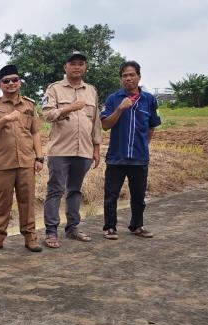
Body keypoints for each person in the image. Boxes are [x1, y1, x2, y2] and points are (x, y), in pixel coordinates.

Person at [41, 51, 102, 249]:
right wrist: (70, 108)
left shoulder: (91, 91)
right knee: (55, 190)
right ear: (65, 67)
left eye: (80, 63)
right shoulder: (55, 89)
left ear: (85, 67)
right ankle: (51, 231)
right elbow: (47, 115)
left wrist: (96, 147)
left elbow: (95, 122)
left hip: (83, 150)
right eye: (72, 63)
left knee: (75, 190)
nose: (77, 67)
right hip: (60, 149)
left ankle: (73, 228)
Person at [0, 64, 44, 253]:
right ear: (0, 84)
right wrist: (6, 119)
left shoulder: (29, 105)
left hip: (26, 162)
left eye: (14, 80)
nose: (11, 83)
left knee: (27, 201)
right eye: (6, 81)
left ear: (20, 82)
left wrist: (39, 157)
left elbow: (35, 133)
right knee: (2, 203)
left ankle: (30, 237)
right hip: (3, 163)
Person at [100, 61, 161, 239]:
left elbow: (152, 126)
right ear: (121, 79)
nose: (128, 78)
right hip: (116, 157)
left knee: (138, 195)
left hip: (139, 157)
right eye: (125, 75)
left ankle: (136, 225)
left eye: (132, 74)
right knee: (111, 195)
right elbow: (105, 125)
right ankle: (110, 227)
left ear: (139, 76)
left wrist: (144, 145)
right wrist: (120, 108)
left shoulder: (149, 100)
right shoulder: (113, 99)